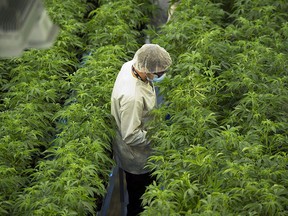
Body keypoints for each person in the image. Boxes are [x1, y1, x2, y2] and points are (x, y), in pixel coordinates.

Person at [111, 44, 172, 215]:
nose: (161, 75)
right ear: (147, 70)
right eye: (159, 73)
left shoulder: (130, 66)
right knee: (140, 201)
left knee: (141, 194)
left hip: (140, 140)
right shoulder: (133, 97)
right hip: (136, 157)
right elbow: (130, 136)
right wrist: (156, 136)